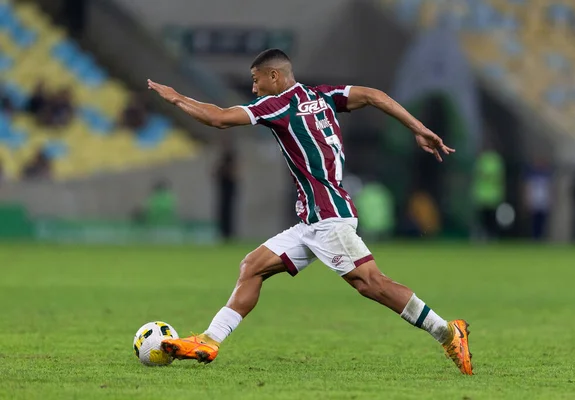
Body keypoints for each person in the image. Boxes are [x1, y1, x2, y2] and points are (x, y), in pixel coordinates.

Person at [148, 49, 472, 375]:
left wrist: (176, 98)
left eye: (256, 80)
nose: (254, 89)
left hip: (329, 217)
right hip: (313, 220)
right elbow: (374, 95)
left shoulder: (277, 105)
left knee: (372, 284)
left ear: (274, 76)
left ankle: (446, 331)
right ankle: (209, 340)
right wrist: (418, 127)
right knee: (253, 266)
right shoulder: (324, 95)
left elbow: (218, 118)